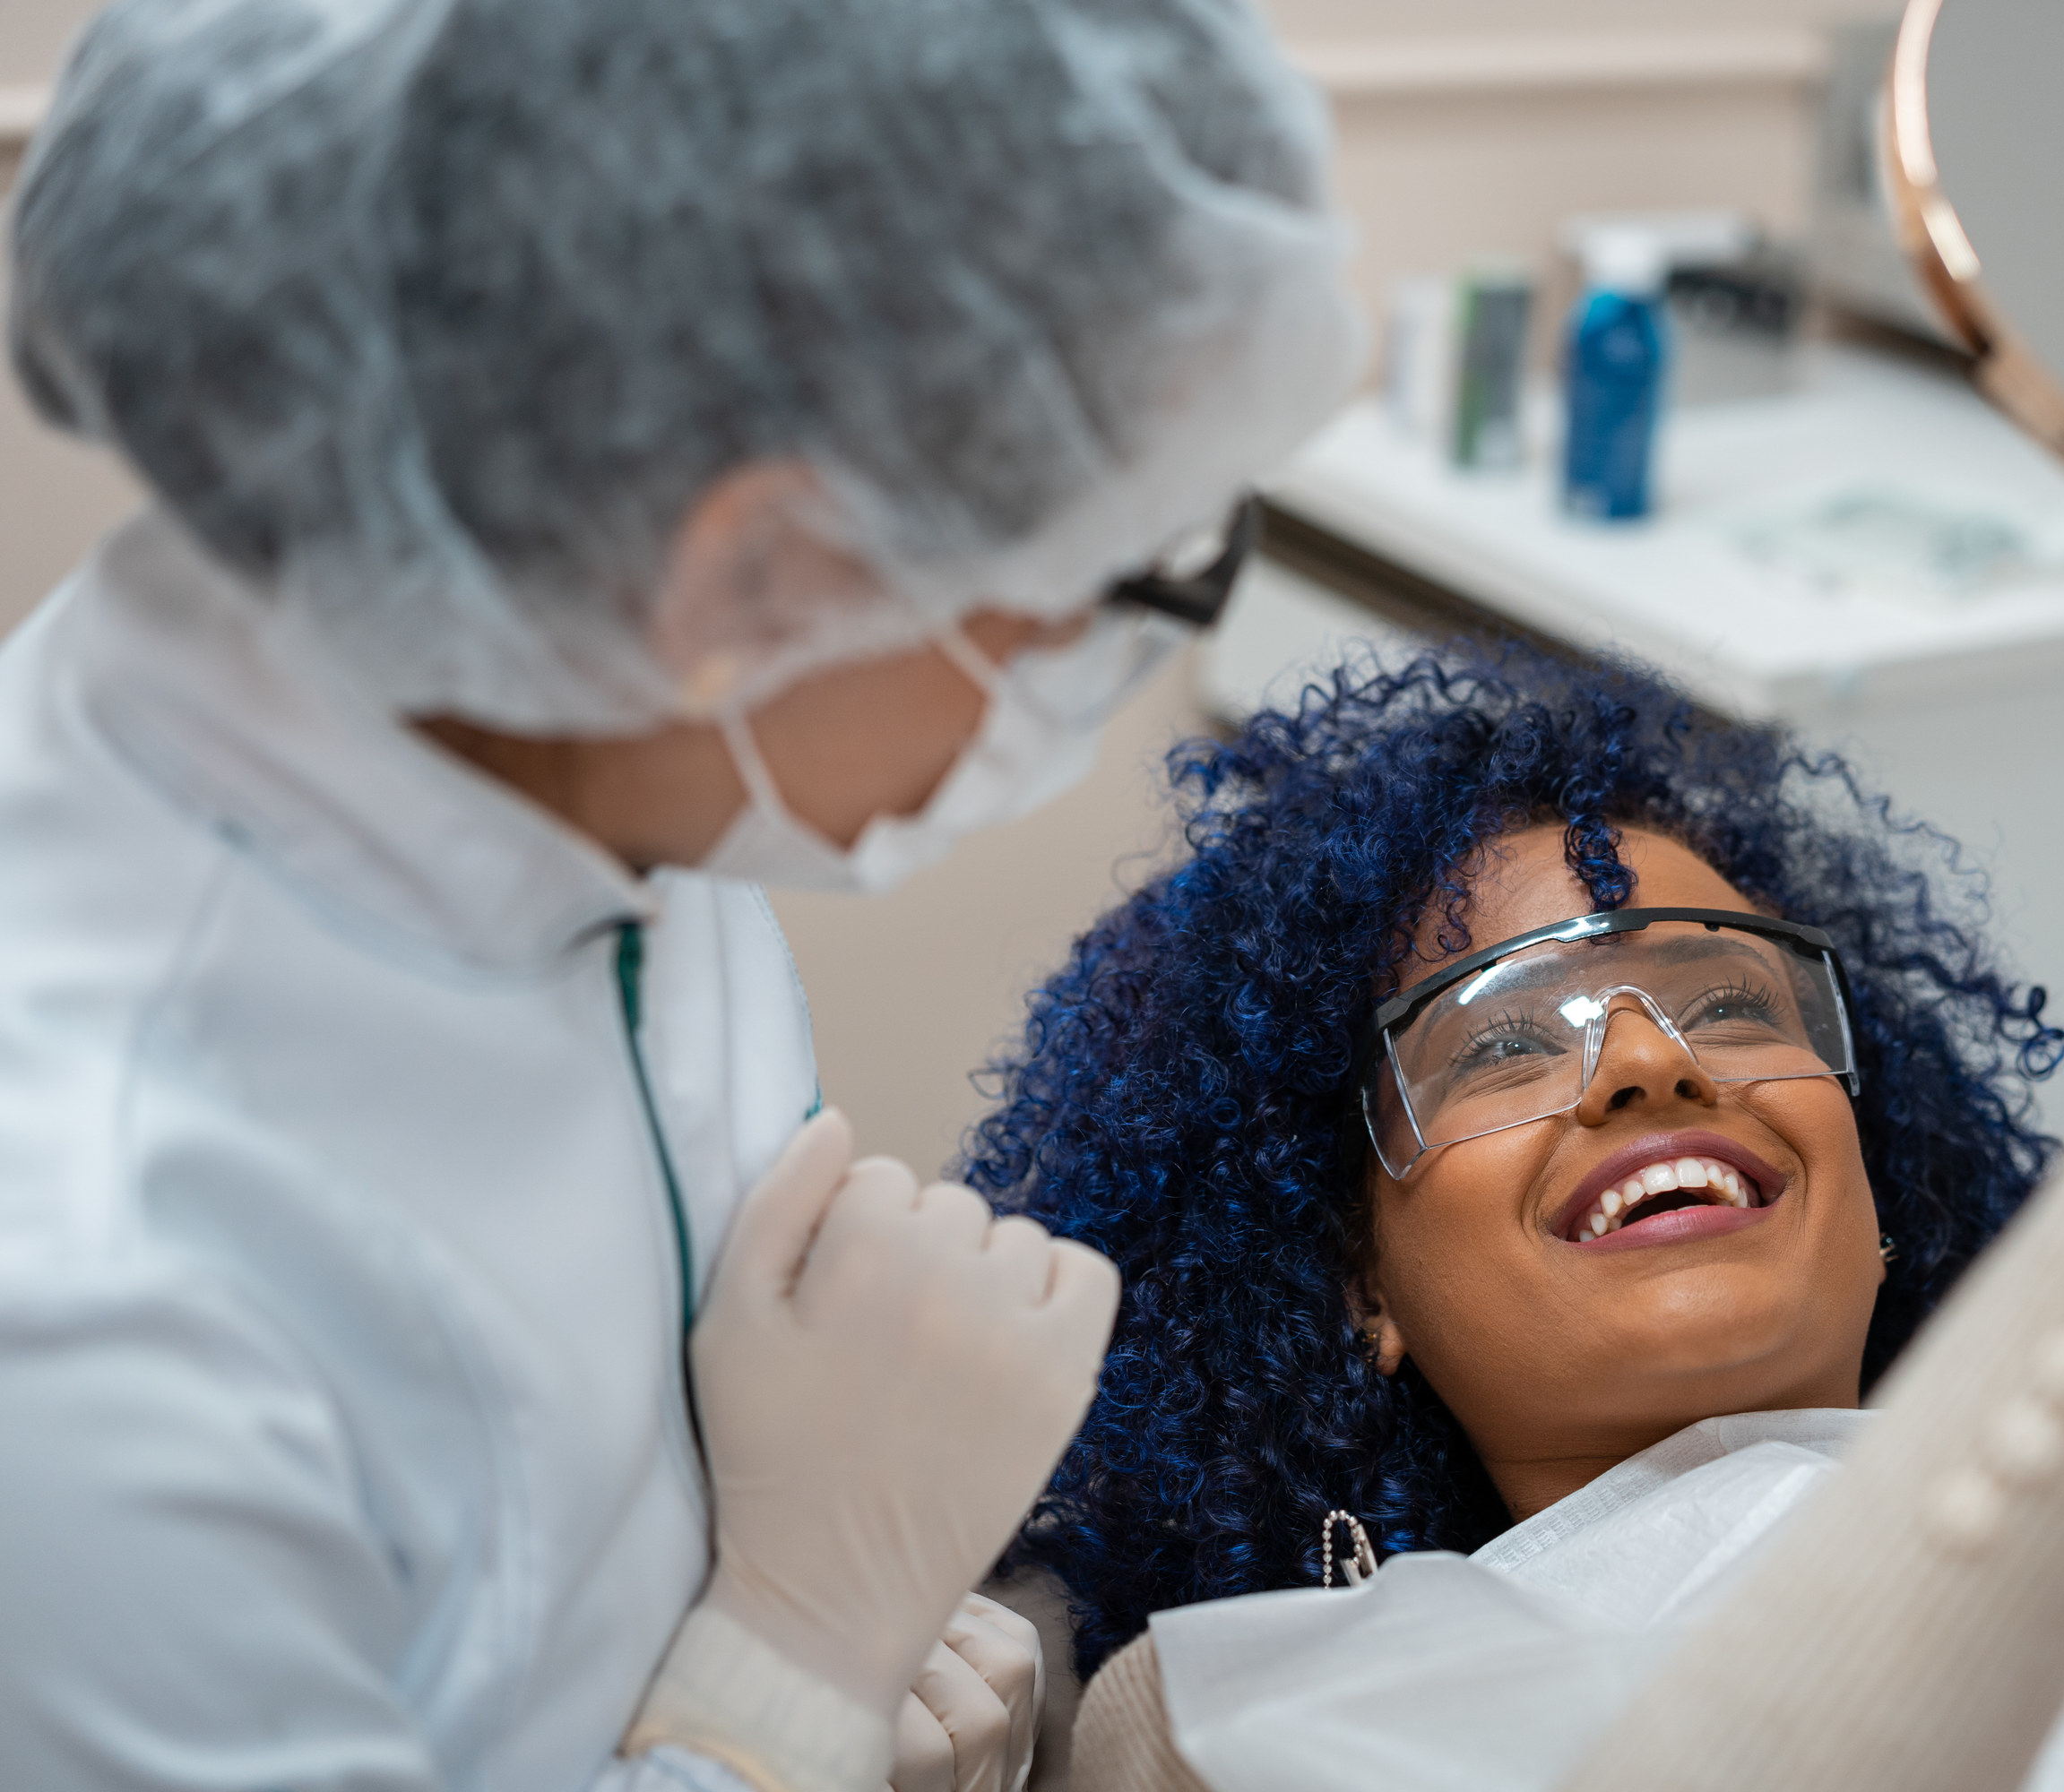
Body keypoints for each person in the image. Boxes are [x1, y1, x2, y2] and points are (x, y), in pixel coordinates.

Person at [0, 1, 1358, 1788]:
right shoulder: (97, 1307)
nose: (1108, 650)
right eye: (1104, 560)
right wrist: (786, 1683)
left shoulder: (563, 717)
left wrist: (827, 1592)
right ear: (759, 569)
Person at [961, 552, 2064, 1788]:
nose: (1648, 1061)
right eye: (1501, 1040)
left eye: (1728, 999)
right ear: (1355, 1293)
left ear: (1885, 1190)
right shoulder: (1229, 1717)